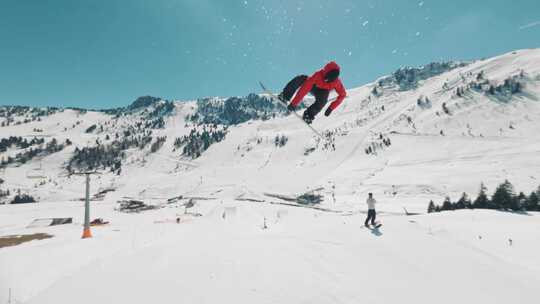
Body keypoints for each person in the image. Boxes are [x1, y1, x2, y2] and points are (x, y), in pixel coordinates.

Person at [278, 61, 347, 124]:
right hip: (313, 85)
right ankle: (285, 96)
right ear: (325, 73)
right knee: (301, 78)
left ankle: (308, 115)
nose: (327, 81)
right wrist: (294, 103)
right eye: (326, 78)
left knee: (323, 100)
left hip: (322, 91)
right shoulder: (318, 75)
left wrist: (331, 108)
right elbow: (304, 89)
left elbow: (342, 95)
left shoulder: (336, 82)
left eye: (330, 80)